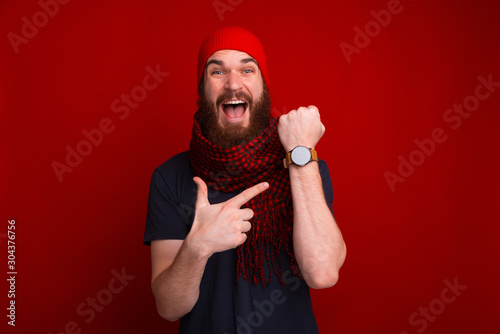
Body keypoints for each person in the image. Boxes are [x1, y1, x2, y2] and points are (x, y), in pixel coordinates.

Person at [143, 26, 346, 334]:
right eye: (217, 72)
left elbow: (323, 273)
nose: (233, 84)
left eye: (247, 70)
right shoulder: (170, 178)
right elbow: (169, 308)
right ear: (202, 89)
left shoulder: (306, 168)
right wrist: (197, 248)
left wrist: (301, 154)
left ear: (263, 86)